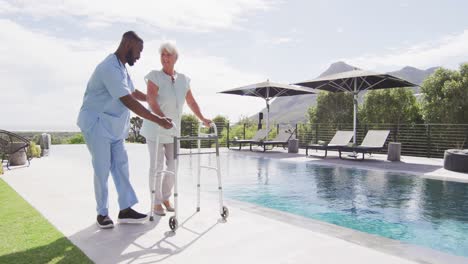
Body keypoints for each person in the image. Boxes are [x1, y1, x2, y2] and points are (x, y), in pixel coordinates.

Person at [77, 31, 173, 229]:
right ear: (128, 44)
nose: (139, 56)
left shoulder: (121, 67)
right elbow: (127, 100)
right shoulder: (108, 68)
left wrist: (151, 97)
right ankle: (102, 213)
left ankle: (125, 209)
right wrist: (158, 119)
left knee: (121, 167)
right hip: (96, 124)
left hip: (114, 128)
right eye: (139, 51)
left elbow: (133, 92)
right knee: (102, 169)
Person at [140, 42, 211, 216]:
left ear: (175, 58)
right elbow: (151, 99)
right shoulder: (154, 76)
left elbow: (191, 102)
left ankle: (165, 196)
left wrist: (202, 118)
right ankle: (155, 201)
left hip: (173, 130)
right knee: (156, 166)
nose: (164, 58)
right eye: (162, 55)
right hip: (155, 128)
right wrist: (160, 118)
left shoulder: (184, 80)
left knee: (173, 165)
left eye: (168, 55)